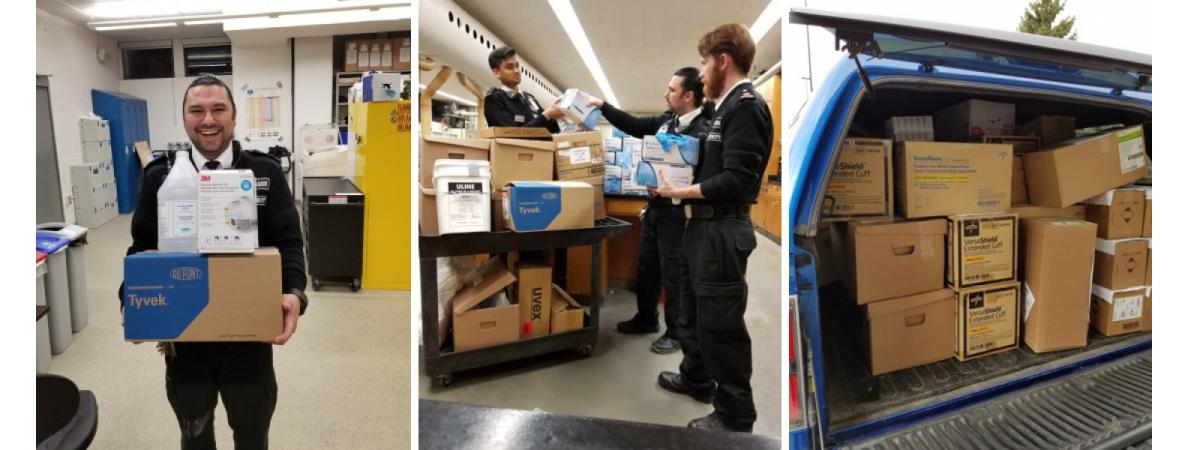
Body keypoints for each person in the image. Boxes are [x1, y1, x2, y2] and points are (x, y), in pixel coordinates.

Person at [125, 75, 309, 449]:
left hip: (248, 333)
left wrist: (294, 293)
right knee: (194, 431)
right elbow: (140, 248)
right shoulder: (160, 177)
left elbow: (289, 242)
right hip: (184, 333)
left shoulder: (265, 173)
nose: (208, 119)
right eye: (197, 110)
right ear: (184, 118)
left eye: (218, 109)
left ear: (234, 115)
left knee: (251, 429)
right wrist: (130, 301)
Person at [652, 24, 773, 433]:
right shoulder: (722, 109)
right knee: (692, 314)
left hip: (721, 232)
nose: (701, 73)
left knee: (721, 327)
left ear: (723, 59)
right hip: (700, 229)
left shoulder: (746, 106)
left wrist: (684, 190)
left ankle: (735, 416)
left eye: (705, 63)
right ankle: (696, 377)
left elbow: (738, 179)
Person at [585, 67, 713, 355]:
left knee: (673, 274)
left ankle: (676, 333)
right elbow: (633, 124)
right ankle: (646, 318)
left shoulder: (703, 130)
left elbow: (704, 177)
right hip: (655, 209)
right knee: (647, 267)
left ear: (688, 95)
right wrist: (603, 106)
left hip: (679, 214)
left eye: (671, 89)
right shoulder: (667, 121)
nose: (665, 94)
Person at [483, 46, 563, 132]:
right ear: (497, 72)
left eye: (517, 66)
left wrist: (553, 115)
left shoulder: (529, 98)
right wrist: (546, 115)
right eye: (510, 67)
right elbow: (511, 135)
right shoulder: (494, 100)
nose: (517, 70)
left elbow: (552, 130)